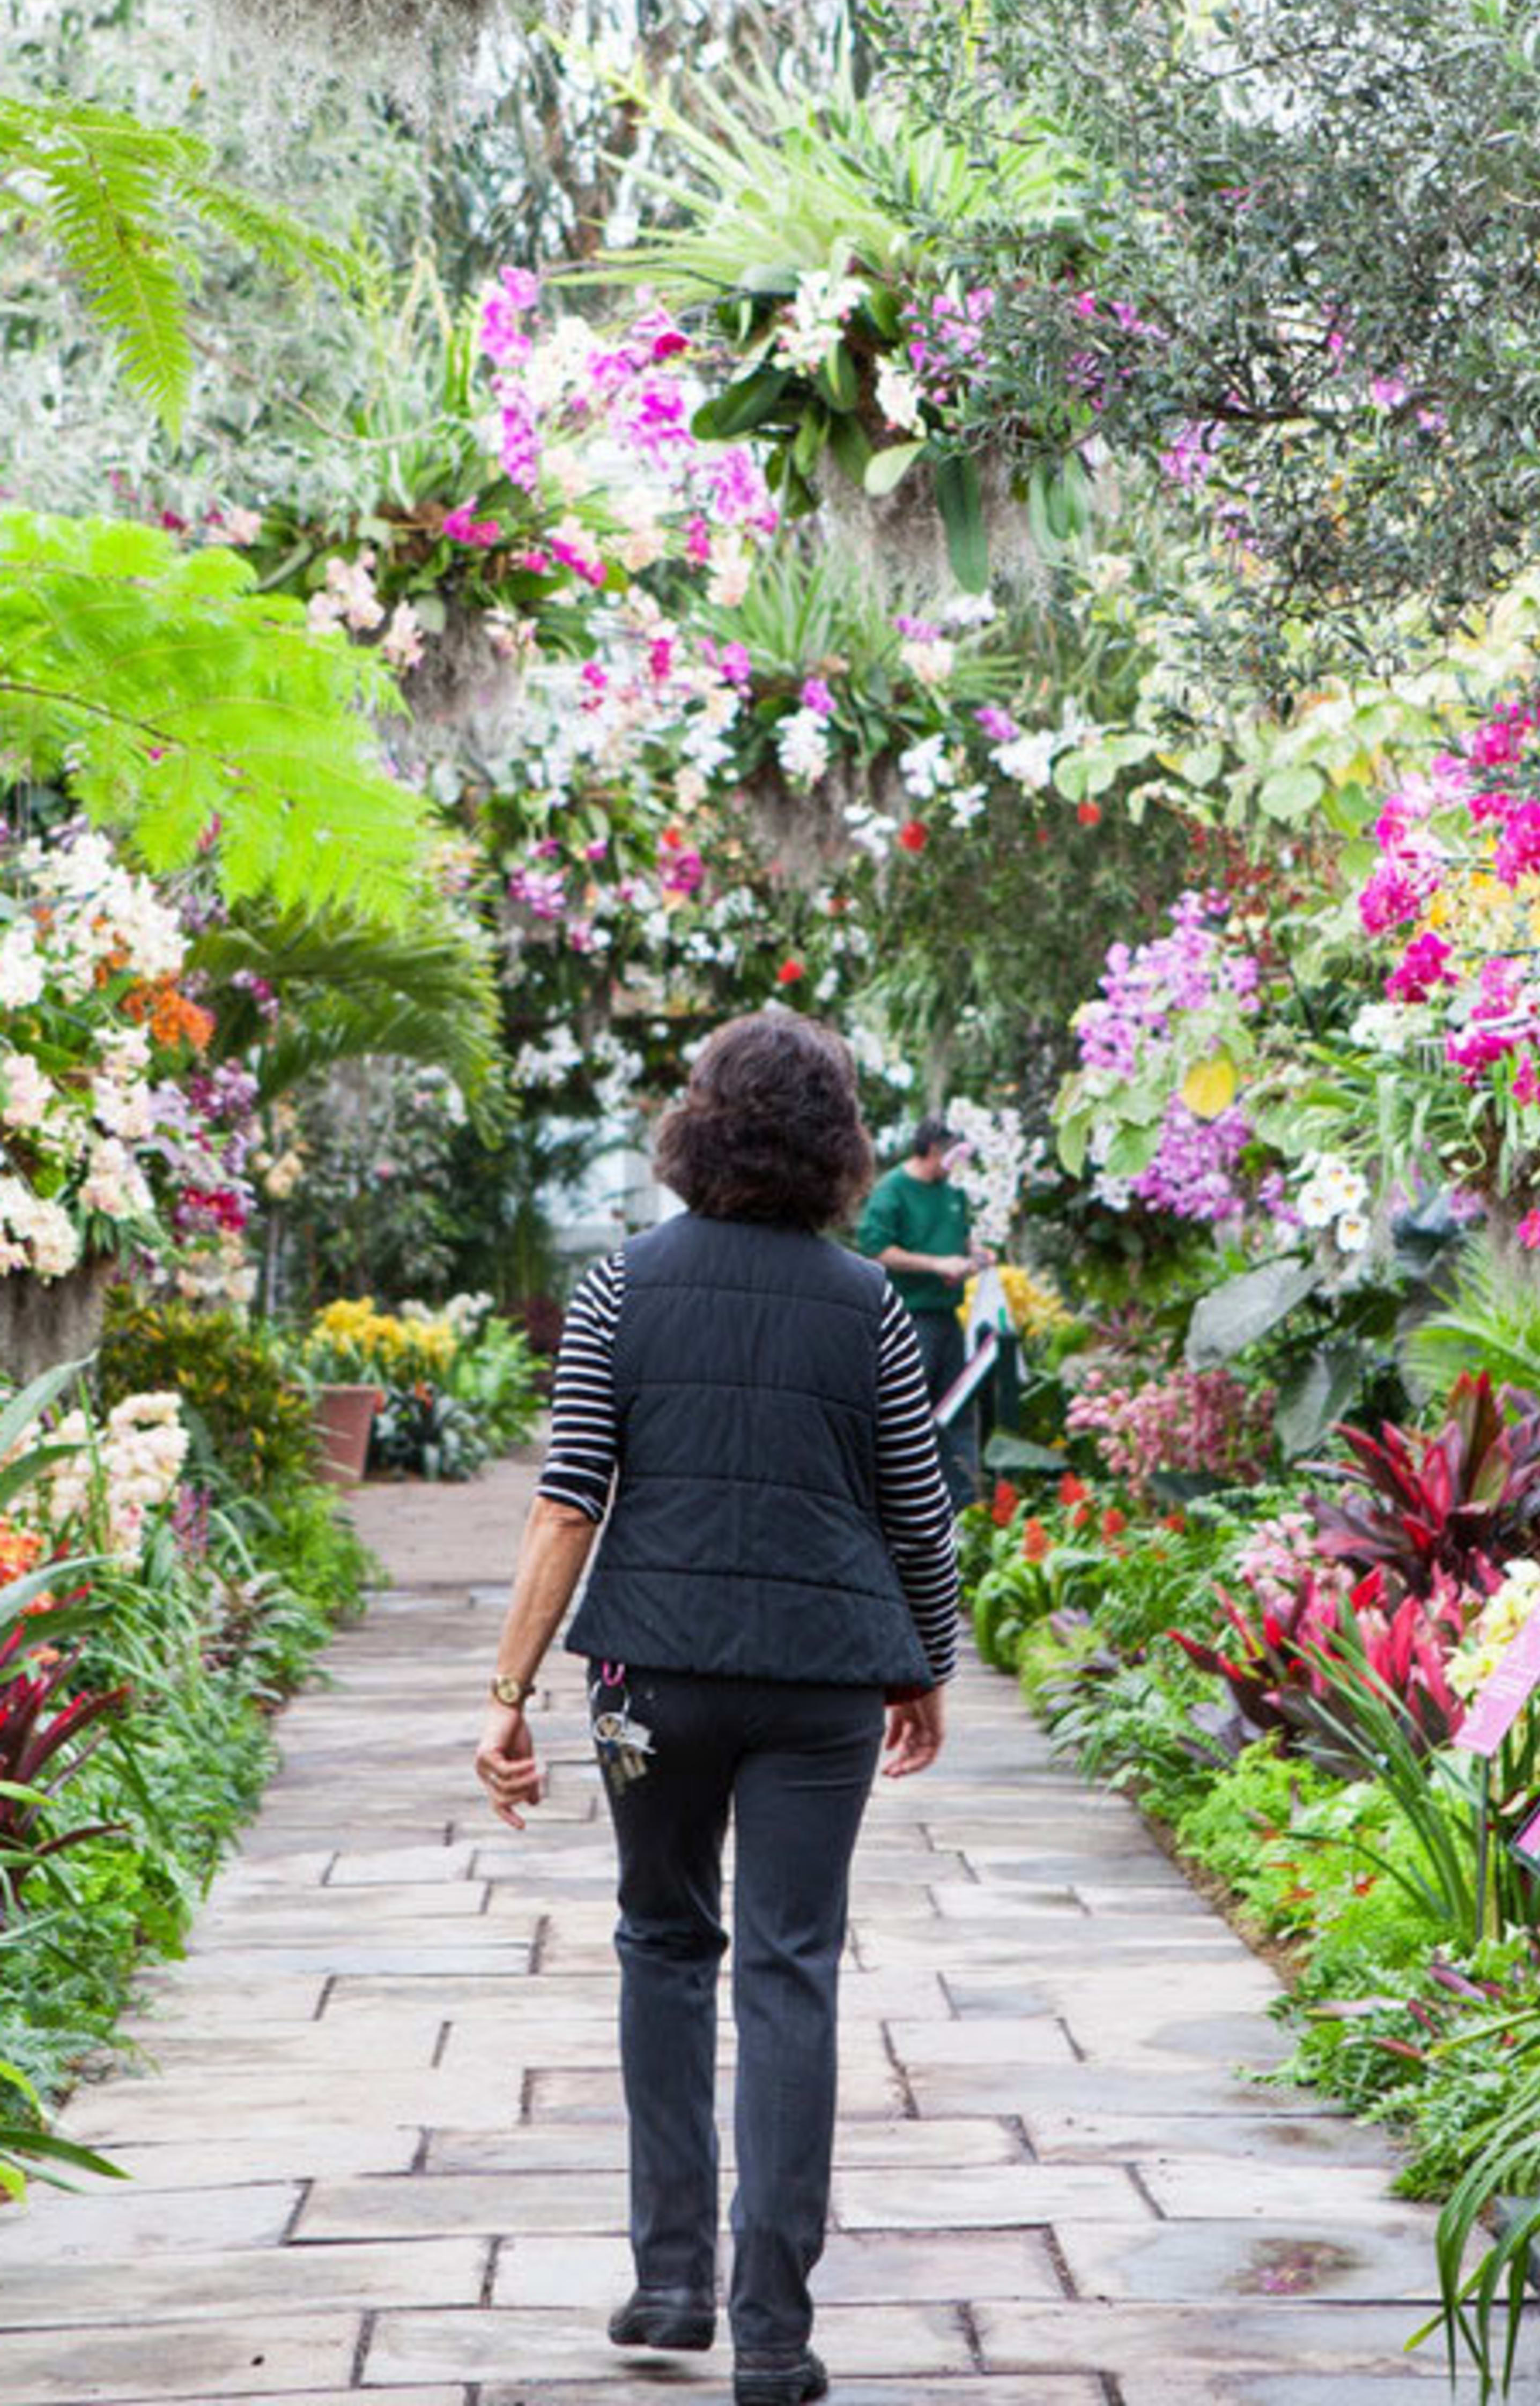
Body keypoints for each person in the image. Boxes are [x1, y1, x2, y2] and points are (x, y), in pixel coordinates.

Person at [472, 1014, 959, 2406]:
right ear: (839, 1145)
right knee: (791, 1970)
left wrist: (506, 1697)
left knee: (663, 1942)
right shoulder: (866, 1302)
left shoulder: (624, 1284)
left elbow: (568, 1503)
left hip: (651, 1679)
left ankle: (672, 2279)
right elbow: (917, 1515)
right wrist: (925, 1664)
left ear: (699, 1125)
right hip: (820, 1687)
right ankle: (774, 2339)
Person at [855, 1112, 986, 1509]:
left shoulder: (953, 1191)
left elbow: (960, 1239)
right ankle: (904, 1507)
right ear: (932, 1149)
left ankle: (965, 1505)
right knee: (910, 1414)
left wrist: (974, 1256)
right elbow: (876, 1249)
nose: (957, 1164)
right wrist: (936, 1265)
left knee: (959, 1411)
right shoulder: (893, 1190)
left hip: (949, 1317)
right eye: (952, 1154)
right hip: (910, 1319)